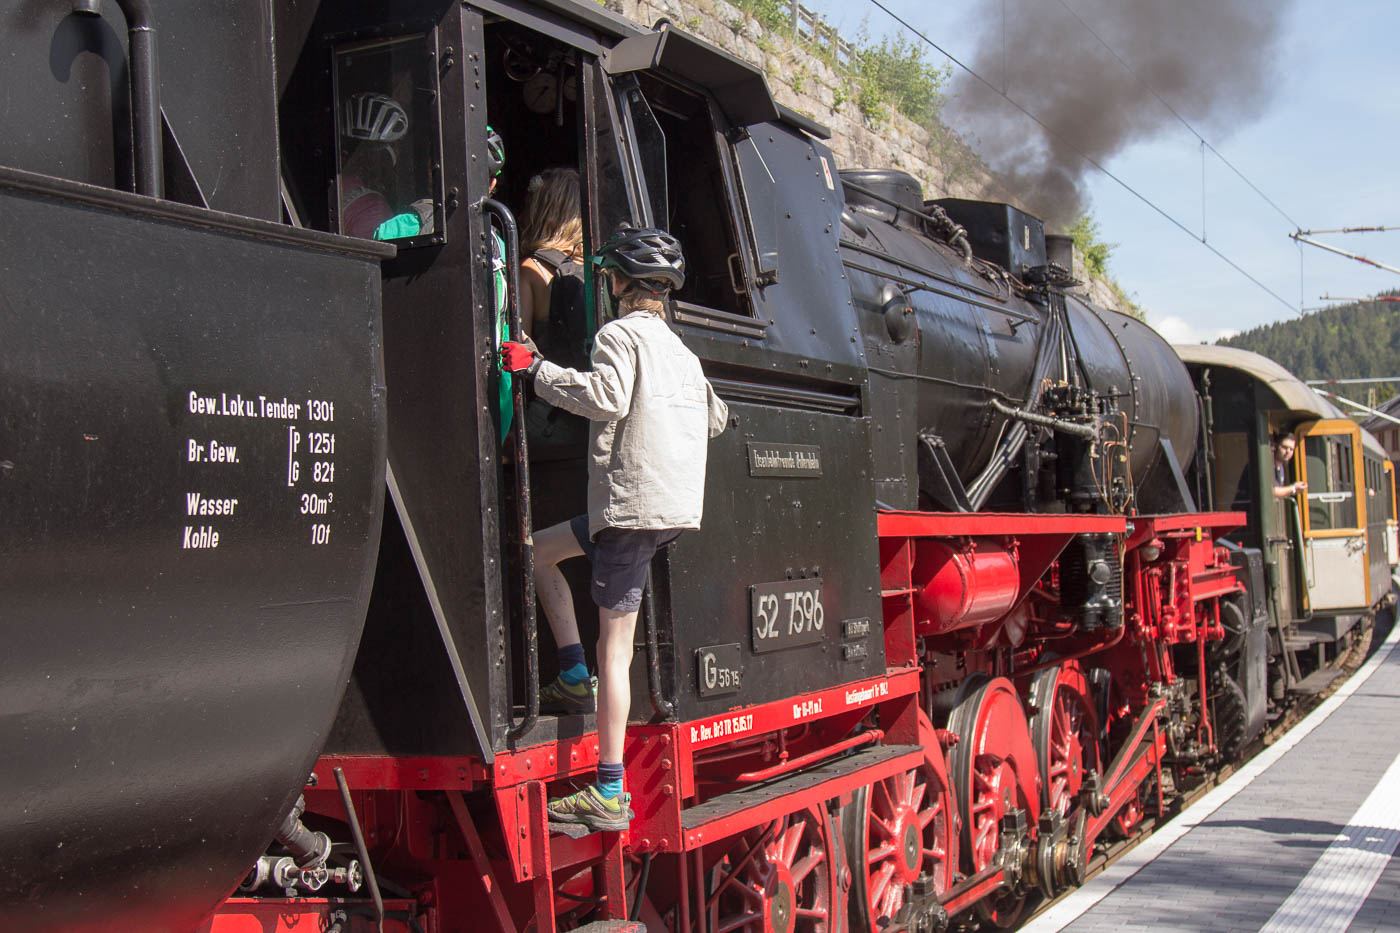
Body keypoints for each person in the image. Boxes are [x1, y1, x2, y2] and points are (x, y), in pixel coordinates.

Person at [500, 227, 729, 832]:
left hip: (628, 512)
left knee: (618, 651)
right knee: (536, 553)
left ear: (621, 283)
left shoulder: (618, 335)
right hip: (661, 511)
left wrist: (535, 369)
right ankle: (573, 676)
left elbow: (605, 398)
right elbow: (717, 417)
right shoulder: (682, 353)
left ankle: (608, 791)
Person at [518, 168, 585, 357]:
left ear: (540, 212)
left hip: (550, 373)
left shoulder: (531, 269)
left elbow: (520, 344)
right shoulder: (597, 266)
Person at [1272, 433, 1306, 498]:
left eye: (1291, 449)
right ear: (1276, 446)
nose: (1288, 451)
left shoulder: (1281, 467)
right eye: (1284, 447)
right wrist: (1293, 488)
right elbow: (1272, 491)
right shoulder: (1268, 465)